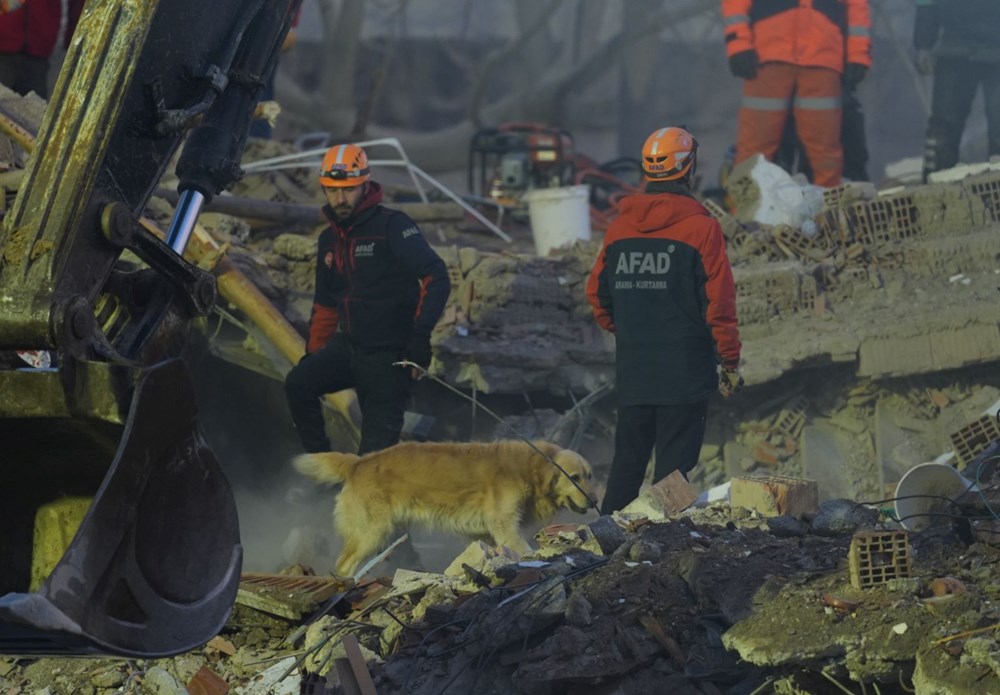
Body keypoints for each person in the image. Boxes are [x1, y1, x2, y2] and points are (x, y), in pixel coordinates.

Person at [586, 127, 743, 515]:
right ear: (686, 169)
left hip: (635, 369)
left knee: (627, 464)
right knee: (672, 477)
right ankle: (659, 551)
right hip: (685, 371)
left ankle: (604, 548)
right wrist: (730, 360)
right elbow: (719, 303)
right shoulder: (702, 228)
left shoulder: (619, 228)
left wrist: (635, 332)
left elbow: (597, 296)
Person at [284, 143, 450, 455]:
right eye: (332, 191)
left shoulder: (392, 226)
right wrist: (314, 354)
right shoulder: (328, 239)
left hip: (389, 357)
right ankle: (323, 468)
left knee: (374, 459)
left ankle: (372, 494)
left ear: (365, 185)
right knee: (298, 383)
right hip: (348, 347)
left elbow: (436, 276)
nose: (340, 199)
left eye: (348, 190)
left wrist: (420, 337)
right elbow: (325, 305)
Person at [722, 0, 872, 187]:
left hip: (816, 57)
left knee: (825, 152)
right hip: (774, 55)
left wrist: (858, 53)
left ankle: (827, 210)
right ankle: (746, 213)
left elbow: (858, 6)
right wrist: (738, 44)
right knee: (755, 149)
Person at [914, 0, 1000, 180]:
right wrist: (924, 42)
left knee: (944, 129)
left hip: (967, 43)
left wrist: (924, 42)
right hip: (955, 44)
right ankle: (934, 198)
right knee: (943, 130)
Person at [0, 0, 86, 99]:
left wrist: (75, 47)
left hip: (39, 54)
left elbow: (77, 9)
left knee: (33, 108)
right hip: (3, 49)